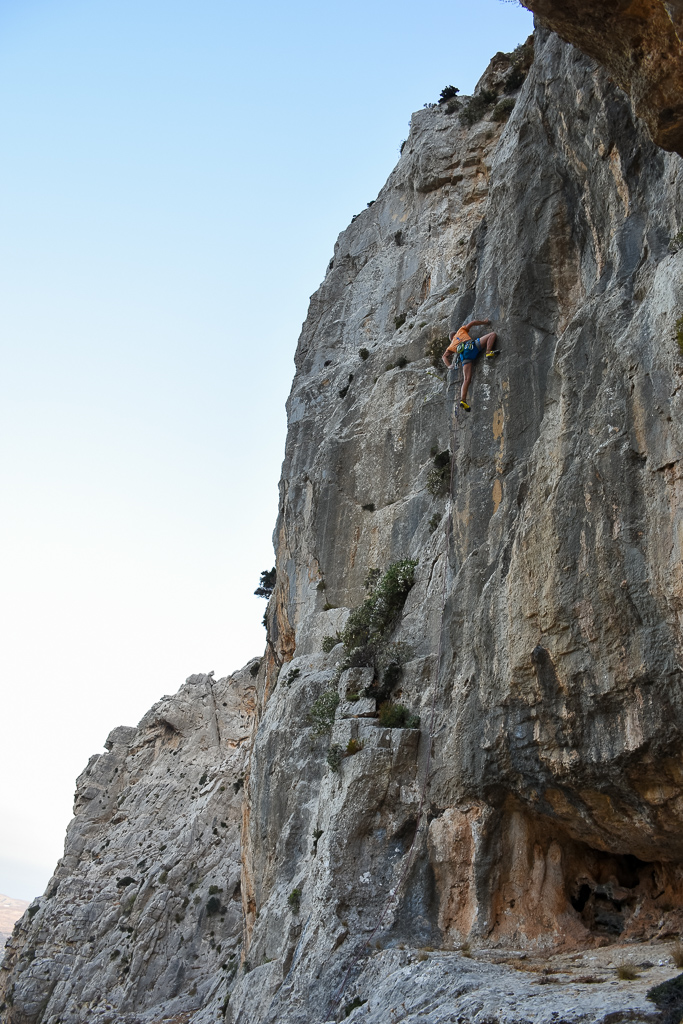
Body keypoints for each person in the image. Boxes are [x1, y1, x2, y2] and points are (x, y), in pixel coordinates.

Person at [442, 318, 497, 411]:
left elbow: (444, 356)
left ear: (451, 339)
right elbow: (473, 323)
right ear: (455, 334)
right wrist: (485, 322)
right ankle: (488, 352)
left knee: (467, 379)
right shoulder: (460, 330)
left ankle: (463, 400)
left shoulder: (451, 346)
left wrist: (449, 365)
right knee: (492, 335)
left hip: (465, 356)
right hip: (472, 346)